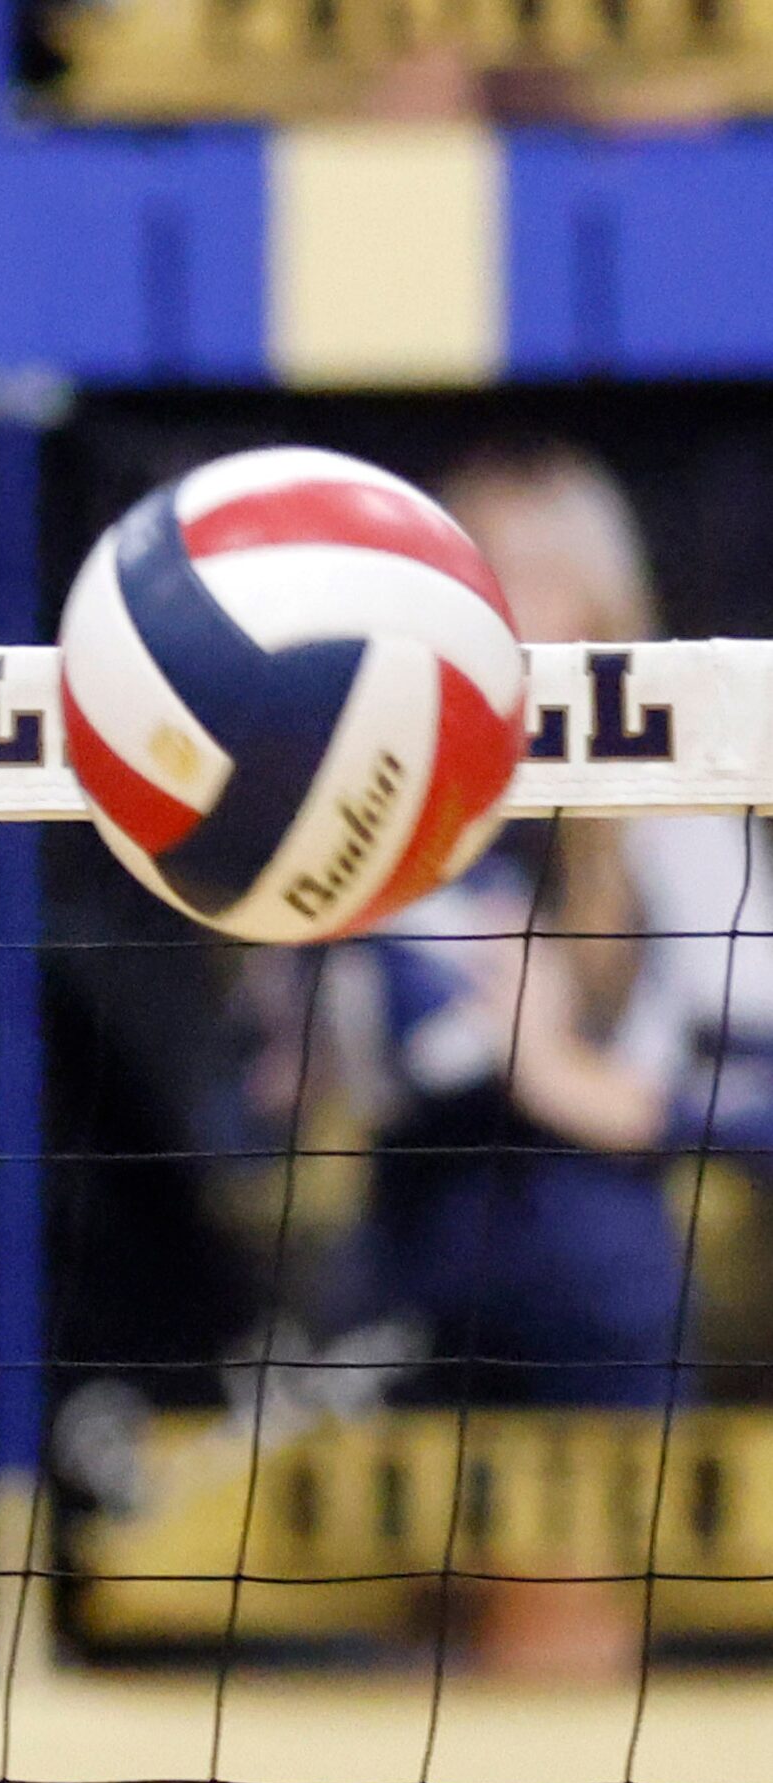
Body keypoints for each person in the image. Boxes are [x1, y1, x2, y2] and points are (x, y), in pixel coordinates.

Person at [338, 439, 773, 1676]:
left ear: (602, 596)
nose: (504, 606)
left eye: (536, 573)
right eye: (470, 573)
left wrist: (611, 1097)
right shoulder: (383, 795)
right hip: (405, 1261)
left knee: (562, 1628)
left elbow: (753, 1082)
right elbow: (342, 1059)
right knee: (390, 1648)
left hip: (596, 1279)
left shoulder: (680, 816)